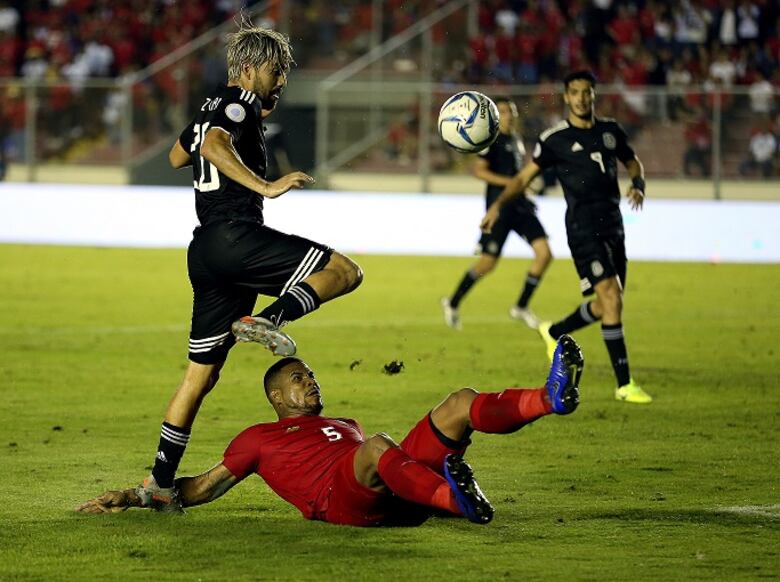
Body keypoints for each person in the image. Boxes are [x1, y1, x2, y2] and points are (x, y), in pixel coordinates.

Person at [140, 23, 363, 511]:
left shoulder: (215, 107)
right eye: (274, 68)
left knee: (200, 378)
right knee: (345, 272)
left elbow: (182, 152)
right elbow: (212, 146)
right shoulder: (237, 103)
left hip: (207, 253)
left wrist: (208, 140)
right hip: (234, 236)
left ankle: (158, 481)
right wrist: (264, 186)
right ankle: (272, 319)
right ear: (246, 69)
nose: (281, 78)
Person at [77, 336, 584, 524]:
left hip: (389, 481)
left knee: (458, 403)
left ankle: (548, 399)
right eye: (300, 380)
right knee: (378, 447)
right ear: (277, 398)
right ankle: (457, 501)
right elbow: (203, 488)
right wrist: (138, 495)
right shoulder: (258, 438)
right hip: (340, 501)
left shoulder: (344, 424)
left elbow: (381, 457)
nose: (311, 383)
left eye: (312, 376)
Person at [481, 70, 652, 405]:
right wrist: (499, 205)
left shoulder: (610, 131)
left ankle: (556, 331)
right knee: (613, 299)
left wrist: (638, 183)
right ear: (567, 96)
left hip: (614, 225)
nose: (582, 98)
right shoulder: (554, 139)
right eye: (575, 92)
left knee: (605, 306)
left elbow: (633, 163)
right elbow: (523, 177)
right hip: (582, 227)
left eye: (587, 92)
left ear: (594, 95)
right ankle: (624, 384)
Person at [441, 98, 552, 331]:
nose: (508, 115)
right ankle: (452, 302)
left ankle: (521, 306)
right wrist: (511, 182)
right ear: (496, 116)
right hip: (499, 210)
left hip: (521, 206)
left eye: (511, 111)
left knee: (544, 254)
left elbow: (518, 176)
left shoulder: (516, 140)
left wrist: (525, 187)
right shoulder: (489, 139)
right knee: (486, 265)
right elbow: (478, 171)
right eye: (503, 111)